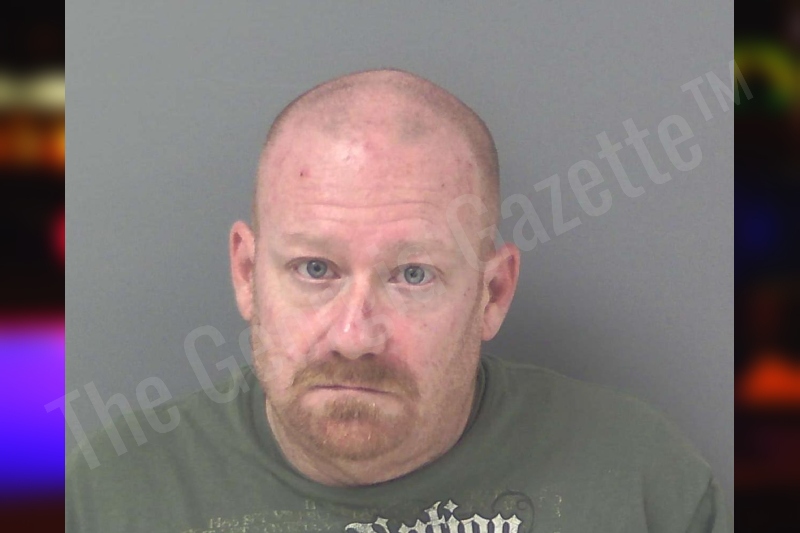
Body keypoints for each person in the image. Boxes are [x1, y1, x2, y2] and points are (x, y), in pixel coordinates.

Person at [66, 69, 731, 532]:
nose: (355, 336)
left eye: (413, 274)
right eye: (316, 268)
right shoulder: (107, 498)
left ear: (493, 293)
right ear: (246, 273)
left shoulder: (641, 482)